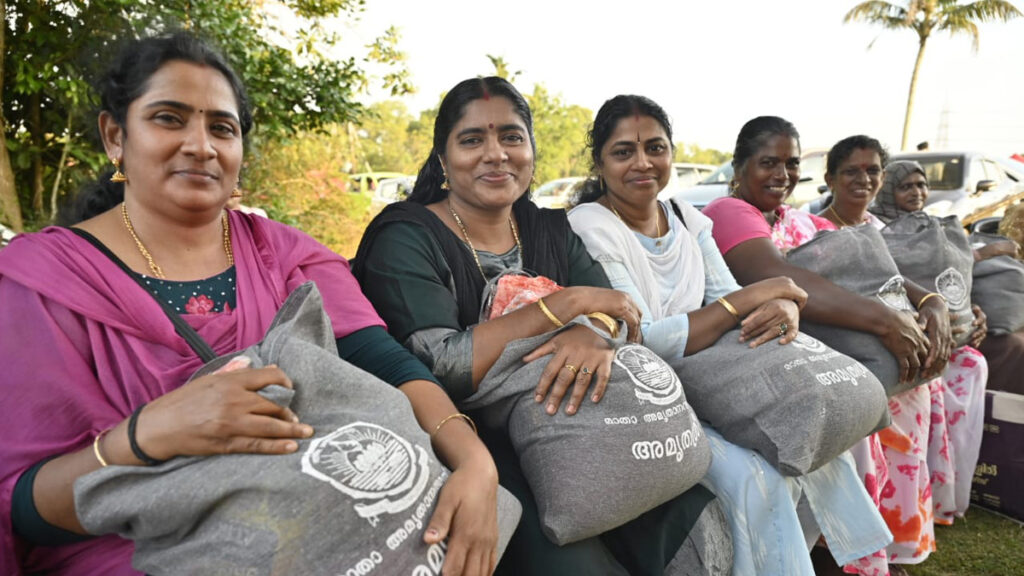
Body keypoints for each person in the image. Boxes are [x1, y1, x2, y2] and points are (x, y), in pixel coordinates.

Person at [0, 34, 500, 576]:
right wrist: (144, 437)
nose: (201, 146)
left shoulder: (283, 255)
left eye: (222, 127)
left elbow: (388, 364)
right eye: (169, 118)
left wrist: (473, 462)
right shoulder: (44, 282)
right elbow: (25, 509)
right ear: (115, 136)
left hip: (327, 517)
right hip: (139, 552)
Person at [352, 77, 725, 575]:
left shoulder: (549, 228)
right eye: (472, 140)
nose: (496, 154)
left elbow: (618, 315)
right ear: (442, 158)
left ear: (530, 149)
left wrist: (588, 333)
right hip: (462, 436)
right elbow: (442, 367)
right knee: (567, 558)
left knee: (683, 513)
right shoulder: (406, 236)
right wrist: (563, 307)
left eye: (511, 137)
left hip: (572, 418)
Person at [567, 95, 891, 576]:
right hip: (647, 397)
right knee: (753, 478)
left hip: (710, 379)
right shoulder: (589, 226)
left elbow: (729, 295)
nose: (642, 163)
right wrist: (751, 299)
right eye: (623, 152)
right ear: (600, 162)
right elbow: (644, 336)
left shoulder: (686, 218)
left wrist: (778, 302)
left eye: (655, 148)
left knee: (820, 450)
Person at [700, 122, 953, 575]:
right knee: (847, 406)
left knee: (911, 388)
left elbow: (873, 269)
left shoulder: (799, 220)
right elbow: (776, 274)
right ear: (739, 169)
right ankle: (842, 556)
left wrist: (928, 300)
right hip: (768, 354)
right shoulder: (729, 211)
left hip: (826, 347)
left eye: (792, 162)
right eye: (769, 162)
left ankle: (883, 544)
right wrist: (885, 320)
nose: (783, 173)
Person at [867, 158, 991, 524]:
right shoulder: (875, 228)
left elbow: (953, 279)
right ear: (888, 189)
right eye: (907, 186)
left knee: (973, 364)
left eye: (922, 185)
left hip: (948, 339)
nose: (917, 193)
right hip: (904, 339)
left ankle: (951, 493)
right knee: (931, 381)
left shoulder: (934, 227)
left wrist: (973, 315)